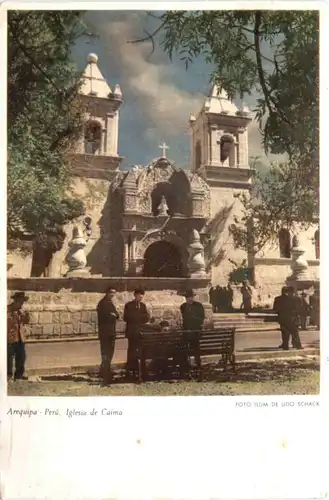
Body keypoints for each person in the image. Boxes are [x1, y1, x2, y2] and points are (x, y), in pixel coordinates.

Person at [123, 288, 151, 377]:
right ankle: (130, 368)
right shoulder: (129, 305)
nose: (141, 297)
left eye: (142, 295)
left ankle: (139, 369)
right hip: (132, 332)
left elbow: (147, 317)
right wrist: (139, 317)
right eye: (139, 295)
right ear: (135, 295)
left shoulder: (143, 305)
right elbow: (126, 317)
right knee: (131, 350)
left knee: (140, 351)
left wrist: (137, 317)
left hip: (140, 332)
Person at [97, 287, 119, 384]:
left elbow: (117, 315)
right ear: (107, 293)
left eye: (113, 293)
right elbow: (103, 316)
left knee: (110, 350)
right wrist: (112, 315)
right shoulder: (102, 303)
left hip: (111, 331)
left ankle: (106, 368)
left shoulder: (110, 303)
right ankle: (105, 370)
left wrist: (114, 315)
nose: (112, 295)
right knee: (105, 351)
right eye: (111, 293)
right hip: (105, 331)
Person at [180, 289, 205, 372]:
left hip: (195, 332)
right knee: (185, 347)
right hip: (187, 332)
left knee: (195, 347)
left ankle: (198, 364)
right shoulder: (183, 306)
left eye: (191, 297)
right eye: (187, 297)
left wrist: (191, 319)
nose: (189, 299)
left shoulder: (198, 306)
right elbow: (184, 319)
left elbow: (201, 318)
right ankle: (187, 364)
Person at [7, 291, 30, 381]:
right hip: (11, 337)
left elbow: (26, 322)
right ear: (16, 301)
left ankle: (19, 374)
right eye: (20, 302)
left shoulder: (21, 311)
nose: (22, 304)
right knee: (9, 357)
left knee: (21, 356)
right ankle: (8, 375)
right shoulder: (8, 310)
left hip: (20, 337)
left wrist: (26, 316)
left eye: (22, 302)